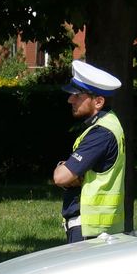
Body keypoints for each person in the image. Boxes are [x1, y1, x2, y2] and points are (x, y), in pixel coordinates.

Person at [53, 60, 125, 243]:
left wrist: (62, 166)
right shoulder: (109, 124)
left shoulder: (101, 133)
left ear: (98, 101)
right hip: (97, 230)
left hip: (89, 231)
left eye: (77, 95)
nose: (70, 99)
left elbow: (61, 177)